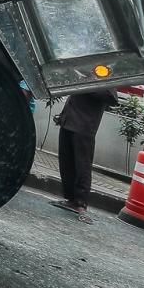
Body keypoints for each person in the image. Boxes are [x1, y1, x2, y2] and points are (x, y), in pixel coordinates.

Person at [53, 88, 117, 221]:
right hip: (68, 121)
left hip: (84, 126)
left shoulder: (103, 75)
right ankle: (71, 199)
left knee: (82, 165)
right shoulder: (83, 74)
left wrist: (87, 86)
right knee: (66, 162)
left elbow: (112, 97)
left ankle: (80, 202)